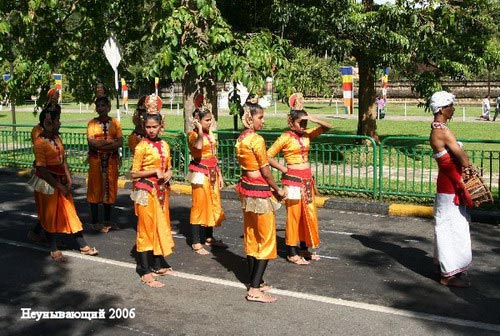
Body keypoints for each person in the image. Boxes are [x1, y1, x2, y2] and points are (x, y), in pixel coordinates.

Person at [29, 102, 98, 261]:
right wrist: (59, 185)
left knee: (69, 212)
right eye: (57, 120)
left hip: (59, 182)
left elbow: (63, 160)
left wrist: (68, 178)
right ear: (48, 122)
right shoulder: (40, 142)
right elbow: (42, 170)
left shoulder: (57, 138)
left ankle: (82, 245)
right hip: (46, 183)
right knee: (50, 214)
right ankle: (54, 248)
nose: (59, 122)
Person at [267, 92, 331, 265]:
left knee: (307, 215)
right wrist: (284, 169)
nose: (303, 125)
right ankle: (291, 252)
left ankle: (304, 248)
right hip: (293, 181)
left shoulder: (307, 134)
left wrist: (313, 118)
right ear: (291, 123)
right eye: (300, 122)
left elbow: (327, 127)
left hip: (307, 180)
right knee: (294, 216)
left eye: (305, 122)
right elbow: (268, 156)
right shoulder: (285, 137)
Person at [235, 99, 285, 303]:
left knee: (252, 235)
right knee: (266, 238)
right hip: (260, 191)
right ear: (250, 118)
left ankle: (256, 280)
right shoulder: (256, 140)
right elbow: (265, 170)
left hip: (247, 188)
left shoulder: (241, 139)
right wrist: (277, 189)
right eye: (260, 117)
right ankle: (255, 289)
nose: (263, 122)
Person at [429, 91, 473, 288]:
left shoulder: (439, 128)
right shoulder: (443, 131)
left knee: (452, 226)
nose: (453, 109)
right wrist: (464, 157)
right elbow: (463, 159)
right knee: (450, 228)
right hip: (449, 188)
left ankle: (447, 267)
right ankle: (447, 275)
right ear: (442, 109)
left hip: (448, 185)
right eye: (450, 106)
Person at [130, 96, 175, 288]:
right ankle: (145, 270)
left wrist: (169, 173)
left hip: (161, 192)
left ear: (160, 126)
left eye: (154, 127)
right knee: (146, 230)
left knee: (160, 226)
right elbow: (133, 173)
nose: (151, 130)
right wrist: (153, 172)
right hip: (146, 191)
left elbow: (169, 167)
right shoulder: (141, 146)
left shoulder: (165, 145)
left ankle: (157, 262)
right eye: (148, 127)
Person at [187, 95, 226, 255]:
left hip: (212, 173)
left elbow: (214, 156)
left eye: (211, 120)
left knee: (213, 203)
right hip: (200, 174)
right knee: (199, 205)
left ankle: (209, 237)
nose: (210, 123)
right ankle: (196, 241)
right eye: (207, 120)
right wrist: (200, 131)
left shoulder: (211, 134)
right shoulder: (193, 135)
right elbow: (197, 148)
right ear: (198, 121)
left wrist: (220, 175)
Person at [86, 87, 123, 233]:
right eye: (98, 106)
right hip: (96, 161)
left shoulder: (115, 123)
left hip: (111, 161)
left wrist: (102, 143)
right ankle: (95, 221)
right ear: (96, 108)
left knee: (110, 188)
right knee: (95, 188)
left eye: (103, 105)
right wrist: (110, 143)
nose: (101, 108)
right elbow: (92, 143)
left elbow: (120, 142)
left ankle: (107, 220)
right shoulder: (92, 124)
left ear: (109, 107)